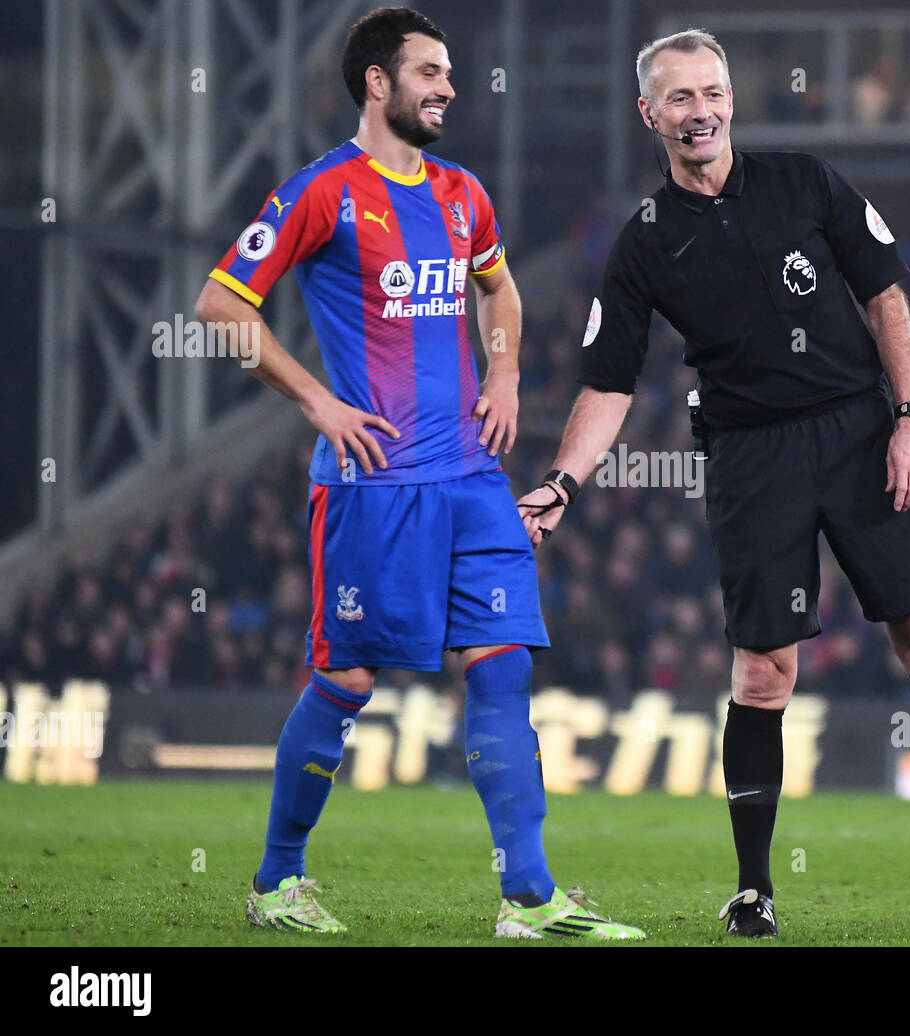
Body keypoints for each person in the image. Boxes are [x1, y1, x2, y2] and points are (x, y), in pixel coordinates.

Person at [517, 29, 910, 939]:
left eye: (712, 92)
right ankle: (755, 888)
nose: (701, 111)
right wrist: (561, 482)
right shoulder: (643, 243)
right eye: (679, 98)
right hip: (752, 456)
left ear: (731, 99)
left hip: (860, 430)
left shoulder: (806, 180)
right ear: (650, 114)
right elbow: (609, 382)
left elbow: (886, 298)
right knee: (763, 675)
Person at [194, 6, 643, 939]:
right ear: (376, 81)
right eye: (429, 72)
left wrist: (508, 368)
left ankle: (529, 900)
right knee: (349, 681)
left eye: (449, 73)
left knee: (502, 668)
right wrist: (316, 403)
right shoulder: (321, 192)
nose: (446, 87)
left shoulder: (461, 192)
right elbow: (218, 304)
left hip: (475, 479)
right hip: (374, 484)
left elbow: (501, 287)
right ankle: (277, 882)